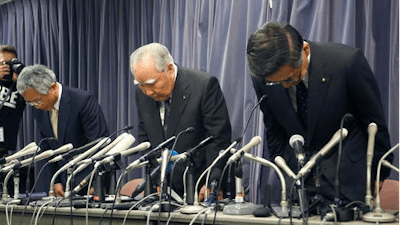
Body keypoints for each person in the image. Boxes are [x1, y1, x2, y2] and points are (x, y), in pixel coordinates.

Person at [246, 22, 392, 206]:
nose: (285, 85)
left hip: (346, 179)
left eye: (291, 78)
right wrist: (284, 171)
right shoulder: (263, 77)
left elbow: (373, 121)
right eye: (277, 82)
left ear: (305, 50)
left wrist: (379, 172)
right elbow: (273, 128)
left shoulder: (346, 62)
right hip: (298, 182)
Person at [130, 43, 232, 200]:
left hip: (199, 185)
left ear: (169, 69)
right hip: (163, 190)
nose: (148, 91)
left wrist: (212, 181)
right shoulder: (141, 94)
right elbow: (146, 139)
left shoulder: (203, 85)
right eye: (141, 85)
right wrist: (155, 177)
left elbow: (218, 139)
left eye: (151, 84)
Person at [17, 64, 109, 196]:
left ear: (53, 87)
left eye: (37, 101)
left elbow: (100, 145)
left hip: (90, 180)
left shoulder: (82, 101)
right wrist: (56, 180)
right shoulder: (39, 108)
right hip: (64, 180)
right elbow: (46, 147)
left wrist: (99, 184)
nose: (36, 106)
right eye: (31, 103)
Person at [0, 45, 25, 158]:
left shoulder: (20, 86)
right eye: (3, 63)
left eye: (10, 64)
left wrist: (22, 83)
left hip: (4, 149)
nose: (7, 67)